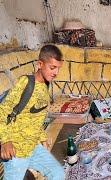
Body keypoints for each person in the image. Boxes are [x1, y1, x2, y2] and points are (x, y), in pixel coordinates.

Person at [0, 45, 65, 179]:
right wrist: (5, 141)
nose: (56, 72)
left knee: (58, 174)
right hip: (17, 151)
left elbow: (36, 117)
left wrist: (42, 138)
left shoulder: (45, 85)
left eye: (58, 68)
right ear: (40, 64)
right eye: (52, 67)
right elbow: (2, 110)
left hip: (34, 146)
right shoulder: (26, 82)